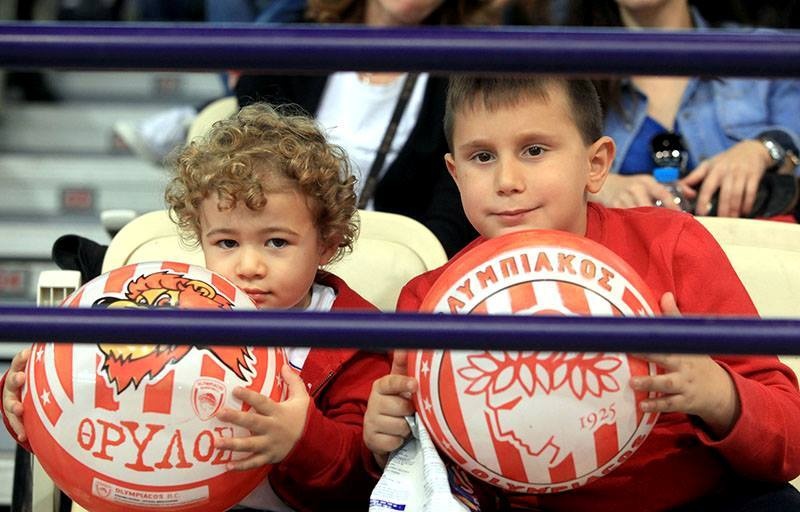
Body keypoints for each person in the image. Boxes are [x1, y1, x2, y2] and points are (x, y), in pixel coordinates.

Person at [363, 75, 800, 511]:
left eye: (534, 150)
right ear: (455, 174)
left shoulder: (671, 245)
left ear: (596, 165)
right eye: (482, 157)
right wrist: (387, 444)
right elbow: (421, 478)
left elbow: (789, 438)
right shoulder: (428, 299)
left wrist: (717, 392)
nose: (507, 180)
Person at [3, 102, 390, 511]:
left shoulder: (357, 338)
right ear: (201, 237)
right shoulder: (166, 311)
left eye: (276, 242)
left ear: (326, 244)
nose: (249, 266)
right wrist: (22, 402)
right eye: (227, 243)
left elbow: (365, 479)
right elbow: (92, 405)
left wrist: (302, 438)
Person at [234, 0, 502, 257]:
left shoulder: (468, 68)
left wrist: (404, 271)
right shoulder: (297, 41)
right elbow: (252, 164)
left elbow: (450, 215)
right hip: (281, 255)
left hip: (399, 266)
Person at [562, 0, 800, 219]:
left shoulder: (767, 51)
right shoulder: (564, 63)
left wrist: (763, 150)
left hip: (749, 247)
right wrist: (596, 186)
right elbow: (542, 170)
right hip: (615, 250)